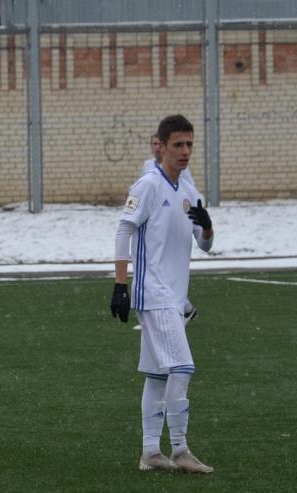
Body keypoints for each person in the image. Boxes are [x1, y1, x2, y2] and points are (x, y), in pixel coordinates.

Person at [111, 114, 215, 474]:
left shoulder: (188, 190)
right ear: (162, 146)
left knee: (158, 375)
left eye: (189, 144)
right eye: (178, 145)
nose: (185, 151)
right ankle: (181, 449)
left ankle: (151, 453)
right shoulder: (149, 185)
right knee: (182, 367)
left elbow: (204, 247)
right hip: (153, 293)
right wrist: (120, 285)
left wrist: (207, 227)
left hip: (175, 296)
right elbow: (123, 229)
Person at [136, 134, 197, 328]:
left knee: (168, 270)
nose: (156, 148)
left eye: (189, 145)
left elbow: (189, 196)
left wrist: (204, 224)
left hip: (175, 222)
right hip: (155, 224)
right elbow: (124, 228)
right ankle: (179, 310)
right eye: (153, 144)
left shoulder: (182, 176)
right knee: (158, 269)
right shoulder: (147, 171)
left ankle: (182, 309)